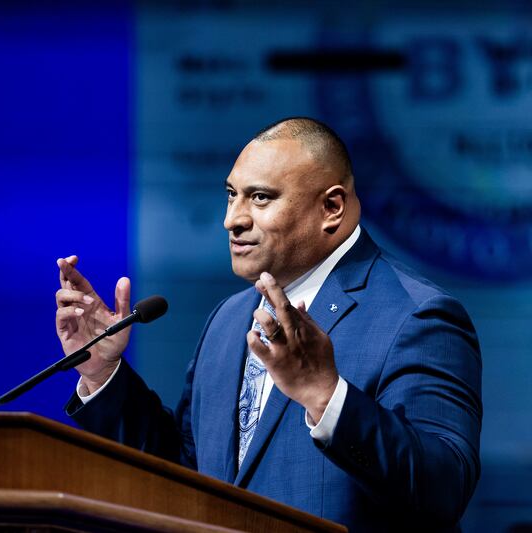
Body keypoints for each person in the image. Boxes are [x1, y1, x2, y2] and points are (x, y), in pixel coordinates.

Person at [54, 118, 482, 532]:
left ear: (331, 207)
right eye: (231, 195)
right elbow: (186, 473)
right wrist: (102, 372)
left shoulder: (417, 317)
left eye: (260, 198)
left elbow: (443, 490)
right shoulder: (227, 321)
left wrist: (326, 397)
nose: (233, 219)